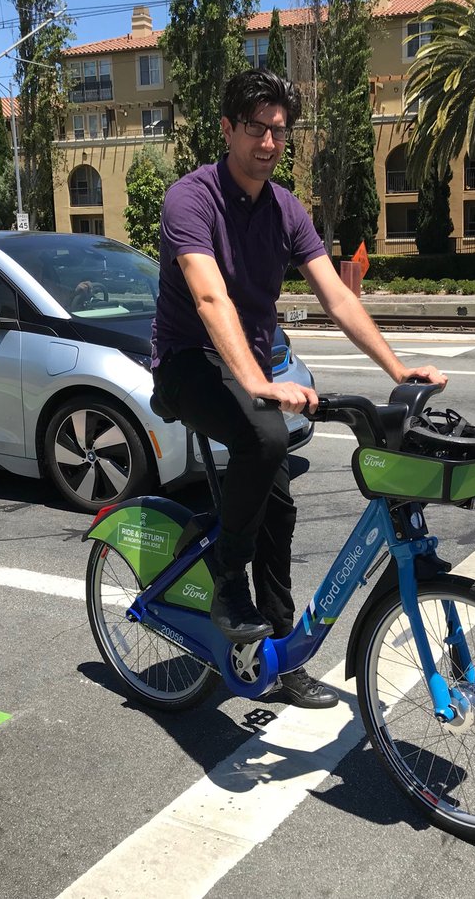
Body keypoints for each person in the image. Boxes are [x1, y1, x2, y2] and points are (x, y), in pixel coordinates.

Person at [151, 69, 447, 709]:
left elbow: (336, 295)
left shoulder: (285, 208)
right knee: (263, 438)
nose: (267, 141)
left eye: (278, 130)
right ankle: (228, 581)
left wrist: (398, 371)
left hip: (248, 366)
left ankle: (281, 659)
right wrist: (258, 382)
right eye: (255, 127)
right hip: (188, 364)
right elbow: (208, 295)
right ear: (227, 128)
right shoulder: (191, 199)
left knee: (279, 511)